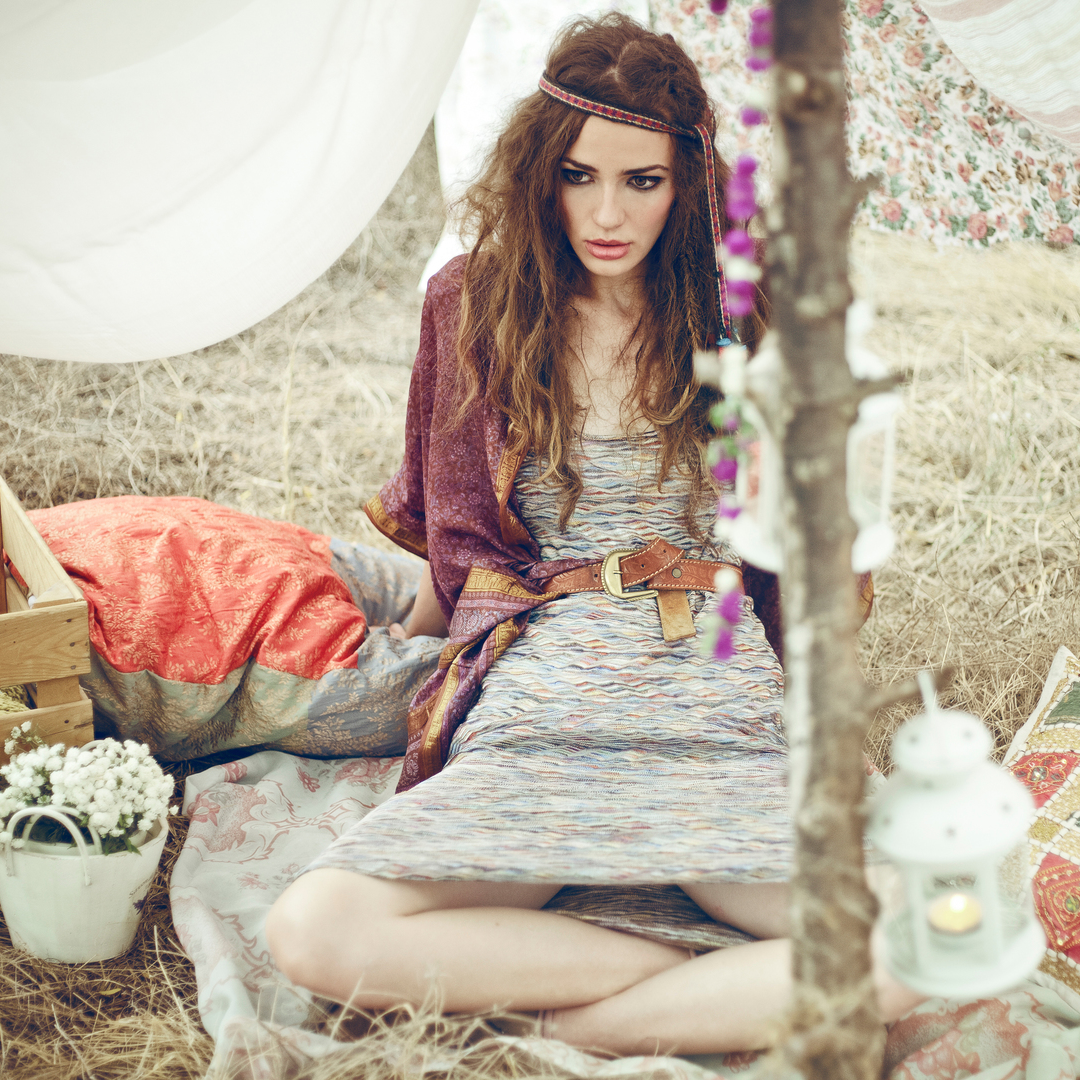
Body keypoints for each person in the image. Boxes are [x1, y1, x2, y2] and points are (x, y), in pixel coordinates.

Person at [265, 14, 921, 1056]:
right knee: (311, 929)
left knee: (923, 938)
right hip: (547, 700)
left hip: (714, 703)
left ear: (687, 182)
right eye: (579, 176)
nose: (607, 213)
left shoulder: (747, 309)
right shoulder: (474, 303)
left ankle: (572, 1021)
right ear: (542, 171)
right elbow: (458, 535)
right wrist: (412, 656)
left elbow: (808, 557)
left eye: (641, 182)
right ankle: (691, 987)